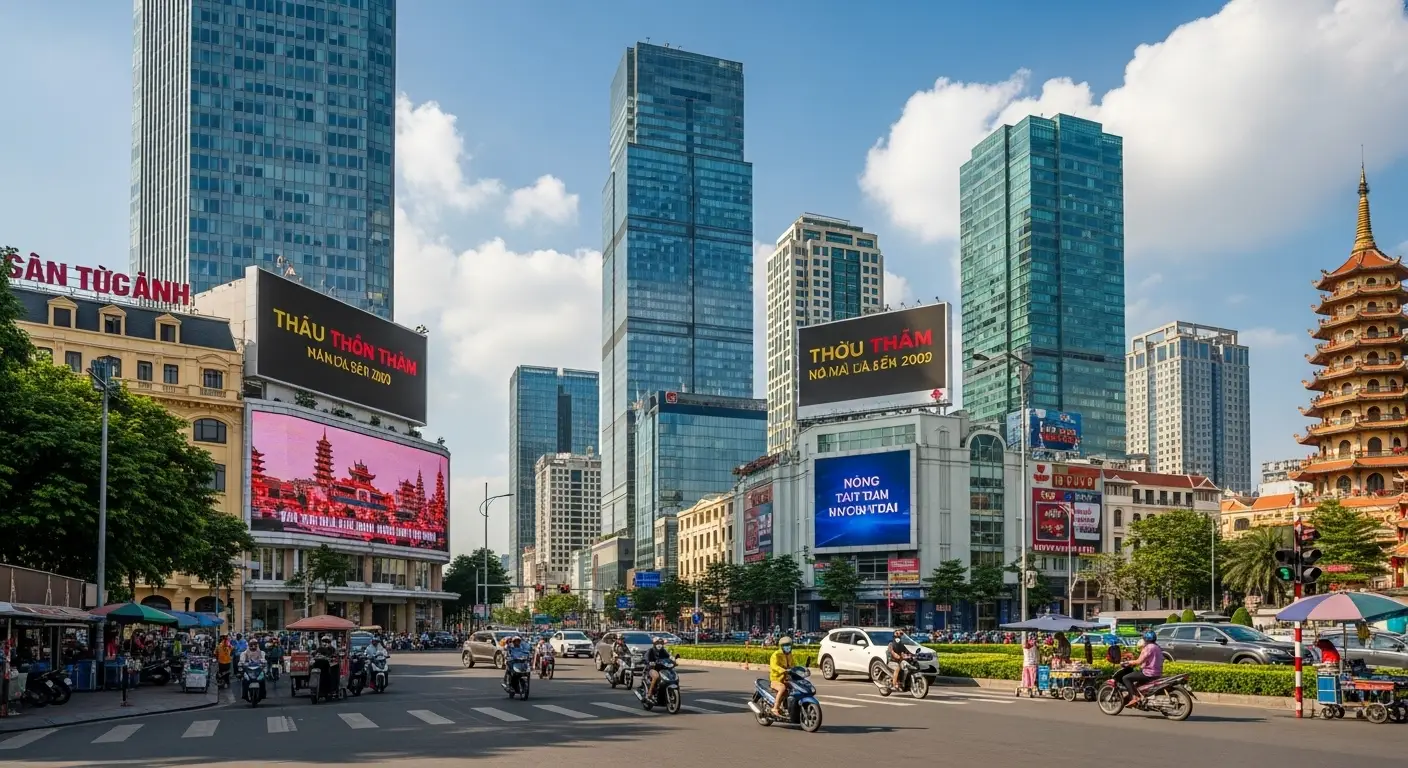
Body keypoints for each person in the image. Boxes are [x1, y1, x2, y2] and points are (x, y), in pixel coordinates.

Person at [1118, 631, 1164, 706]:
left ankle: (1134, 697)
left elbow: (1138, 661)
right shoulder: (1157, 647)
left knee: (1126, 678)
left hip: (1148, 673)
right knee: (1137, 682)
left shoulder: (1148, 648)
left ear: (1145, 639)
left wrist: (1127, 662)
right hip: (1158, 673)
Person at [768, 636, 795, 717]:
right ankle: (775, 708)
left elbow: (793, 665)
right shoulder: (776, 655)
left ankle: (787, 707)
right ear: (781, 646)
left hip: (786, 678)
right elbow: (774, 666)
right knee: (782, 688)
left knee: (794, 688)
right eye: (785, 645)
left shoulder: (790, 655)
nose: (788, 647)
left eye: (789, 645)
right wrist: (782, 670)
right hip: (776, 679)